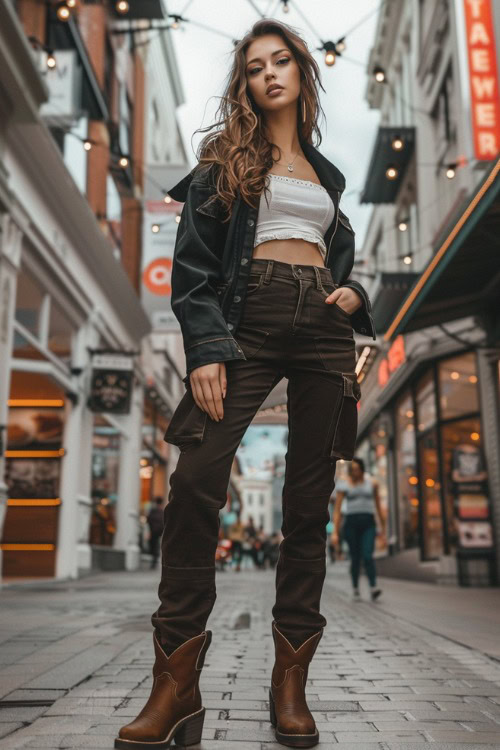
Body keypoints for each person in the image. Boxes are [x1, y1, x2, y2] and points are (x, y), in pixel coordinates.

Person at [115, 18, 375, 750]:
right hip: (246, 319)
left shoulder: (328, 176)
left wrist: (354, 294)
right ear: (245, 83)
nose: (269, 73)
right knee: (195, 479)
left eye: (281, 60)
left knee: (306, 502)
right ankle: (176, 683)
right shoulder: (223, 164)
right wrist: (205, 350)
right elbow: (194, 269)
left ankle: (289, 681)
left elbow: (342, 256)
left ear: (301, 72)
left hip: (322, 329)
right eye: (255, 65)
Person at [332, 457, 386, 602]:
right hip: (351, 524)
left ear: (362, 469)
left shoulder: (372, 483)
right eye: (352, 470)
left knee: (368, 555)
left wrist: (383, 528)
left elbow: (379, 507)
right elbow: (337, 510)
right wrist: (335, 532)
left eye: (357, 469)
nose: (355, 472)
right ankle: (355, 588)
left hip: (368, 523)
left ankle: (373, 587)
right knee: (355, 557)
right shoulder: (344, 484)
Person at [146, 496, 164, 570]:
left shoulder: (153, 511)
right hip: (159, 531)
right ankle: (155, 559)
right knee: (156, 545)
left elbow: (148, 520)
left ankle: (154, 560)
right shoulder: (162, 511)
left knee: (153, 545)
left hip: (153, 531)